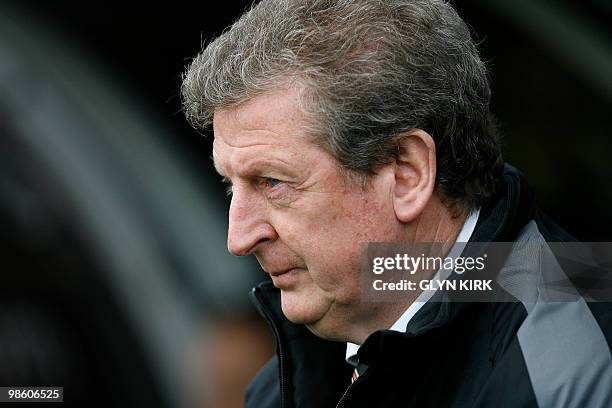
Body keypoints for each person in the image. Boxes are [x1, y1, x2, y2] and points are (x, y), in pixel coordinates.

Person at [181, 0, 612, 406]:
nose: (238, 238)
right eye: (230, 186)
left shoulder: (566, 364)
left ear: (408, 173)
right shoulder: (305, 365)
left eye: (273, 182)